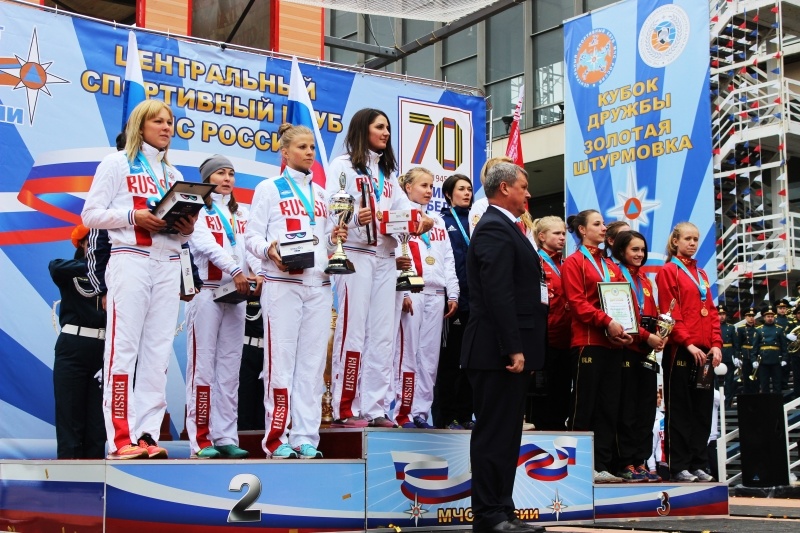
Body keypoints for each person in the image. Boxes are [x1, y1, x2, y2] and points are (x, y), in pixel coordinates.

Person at [81, 99, 197, 459]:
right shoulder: (116, 163)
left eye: (170, 122)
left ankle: (146, 435)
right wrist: (134, 216)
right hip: (130, 259)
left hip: (167, 262)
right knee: (123, 350)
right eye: (158, 121)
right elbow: (90, 215)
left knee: (158, 352)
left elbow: (185, 235)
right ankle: (120, 439)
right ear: (140, 125)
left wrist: (187, 228)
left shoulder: (173, 174)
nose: (166, 127)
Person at [325, 108, 432, 429]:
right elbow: (333, 206)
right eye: (380, 127)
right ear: (363, 130)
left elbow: (403, 212)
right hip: (355, 254)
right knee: (353, 331)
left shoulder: (388, 174)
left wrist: (419, 222)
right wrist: (356, 217)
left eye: (387, 128)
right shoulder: (342, 166)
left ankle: (376, 407)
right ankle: (346, 406)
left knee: (384, 335)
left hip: (386, 259)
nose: (386, 133)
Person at [245, 123, 342, 459]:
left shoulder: (323, 196)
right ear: (284, 153)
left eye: (312, 148)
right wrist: (269, 250)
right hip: (283, 284)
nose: (309, 153)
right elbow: (252, 237)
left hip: (318, 285)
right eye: (302, 147)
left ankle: (305, 437)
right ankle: (277, 438)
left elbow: (327, 244)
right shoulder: (269, 188)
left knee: (312, 366)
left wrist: (336, 237)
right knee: (280, 363)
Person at [461, 163, 547, 533]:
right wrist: (513, 347)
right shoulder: (494, 228)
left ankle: (503, 508)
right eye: (523, 188)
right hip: (495, 351)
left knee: (508, 435)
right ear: (505, 188)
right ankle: (488, 514)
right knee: (494, 434)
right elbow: (497, 293)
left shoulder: (509, 228)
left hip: (510, 348)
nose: (529, 195)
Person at [184, 155, 258, 459]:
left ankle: (225, 435)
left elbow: (250, 246)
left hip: (237, 295)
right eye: (220, 173)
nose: (227, 178)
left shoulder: (242, 212)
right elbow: (205, 245)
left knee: (229, 368)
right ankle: (200, 439)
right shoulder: (197, 209)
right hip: (207, 293)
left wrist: (257, 273)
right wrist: (237, 270)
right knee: (202, 367)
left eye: (231, 173)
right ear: (207, 178)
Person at [562, 209, 631, 483]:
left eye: (604, 224)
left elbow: (623, 300)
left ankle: (601, 464)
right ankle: (578, 467)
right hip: (587, 342)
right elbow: (578, 304)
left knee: (608, 407)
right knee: (584, 406)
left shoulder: (612, 264)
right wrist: (607, 322)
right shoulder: (574, 262)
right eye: (598, 224)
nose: (605, 228)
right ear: (582, 230)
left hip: (613, 343)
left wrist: (627, 330)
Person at [655, 221, 722, 482]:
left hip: (704, 352)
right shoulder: (669, 271)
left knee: (702, 411)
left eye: (695, 239)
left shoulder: (702, 275)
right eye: (687, 239)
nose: (692, 243)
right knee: (680, 411)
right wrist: (687, 343)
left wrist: (716, 344)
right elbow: (670, 313)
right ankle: (678, 465)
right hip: (682, 351)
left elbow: (712, 313)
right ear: (675, 242)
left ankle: (698, 463)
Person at [392, 167, 459, 428]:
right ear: (408, 187)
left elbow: (448, 259)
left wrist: (452, 292)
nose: (429, 191)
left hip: (436, 293)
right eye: (423, 185)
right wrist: (403, 290)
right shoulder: (400, 216)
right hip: (413, 292)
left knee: (429, 358)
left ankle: (421, 412)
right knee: (407, 353)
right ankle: (402, 412)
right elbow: (397, 252)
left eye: (431, 186)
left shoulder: (438, 221)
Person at [49, 224, 106, 459]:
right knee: (69, 416)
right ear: (82, 244)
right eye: (93, 241)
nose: (99, 246)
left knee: (97, 423)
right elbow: (55, 268)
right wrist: (98, 265)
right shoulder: (67, 268)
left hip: (105, 350)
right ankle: (69, 483)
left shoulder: (116, 273)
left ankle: (95, 482)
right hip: (73, 346)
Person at [612, 230, 665, 482]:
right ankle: (625, 462)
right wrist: (647, 336)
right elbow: (622, 316)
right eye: (634, 249)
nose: (639, 254)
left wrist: (658, 335)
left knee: (646, 409)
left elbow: (650, 313)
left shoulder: (644, 280)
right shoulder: (616, 275)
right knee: (627, 409)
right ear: (622, 250)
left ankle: (641, 461)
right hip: (626, 348)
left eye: (642, 250)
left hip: (647, 352)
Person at [434, 174, 474, 430]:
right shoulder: (441, 222)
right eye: (461, 189)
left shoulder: (477, 220)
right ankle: (445, 417)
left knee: (471, 363)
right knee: (450, 362)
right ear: (448, 194)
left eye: (470, 189)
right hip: (454, 302)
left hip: (478, 303)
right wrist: (453, 293)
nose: (467, 193)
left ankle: (465, 414)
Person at [528, 216, 570, 431]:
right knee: (544, 392)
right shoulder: (535, 262)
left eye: (563, 233)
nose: (562, 237)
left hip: (567, 337)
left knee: (563, 390)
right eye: (556, 233)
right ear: (542, 236)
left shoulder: (566, 264)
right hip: (545, 337)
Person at [238, 299, 266, 431]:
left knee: (265, 400)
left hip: (269, 350)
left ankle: (264, 438)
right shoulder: (244, 289)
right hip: (246, 349)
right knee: (244, 397)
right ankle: (243, 438)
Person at [468, 156, 513, 234]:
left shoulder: (519, 208)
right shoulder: (481, 205)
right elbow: (480, 240)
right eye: (509, 172)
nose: (514, 176)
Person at [752, 305, 787, 395]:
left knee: (777, 384)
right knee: (764, 384)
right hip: (763, 360)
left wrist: (784, 359)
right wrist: (754, 360)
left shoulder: (779, 329)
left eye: (772, 316)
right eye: (768, 316)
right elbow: (755, 347)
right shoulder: (759, 330)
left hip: (776, 359)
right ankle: (766, 406)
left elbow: (784, 346)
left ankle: (777, 405)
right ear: (764, 317)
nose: (770, 318)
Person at [718, 305, 738, 409]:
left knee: (729, 381)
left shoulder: (731, 327)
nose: (721, 316)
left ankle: (727, 403)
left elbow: (736, 344)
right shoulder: (714, 327)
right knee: (717, 382)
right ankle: (718, 403)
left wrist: (736, 356)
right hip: (717, 355)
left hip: (728, 355)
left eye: (723, 314)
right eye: (719, 314)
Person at [737, 307, 759, 395]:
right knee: (746, 377)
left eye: (752, 316)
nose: (751, 318)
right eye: (749, 316)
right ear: (745, 317)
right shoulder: (741, 329)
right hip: (746, 355)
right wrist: (737, 356)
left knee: (756, 378)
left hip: (756, 355)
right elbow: (738, 344)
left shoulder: (758, 328)